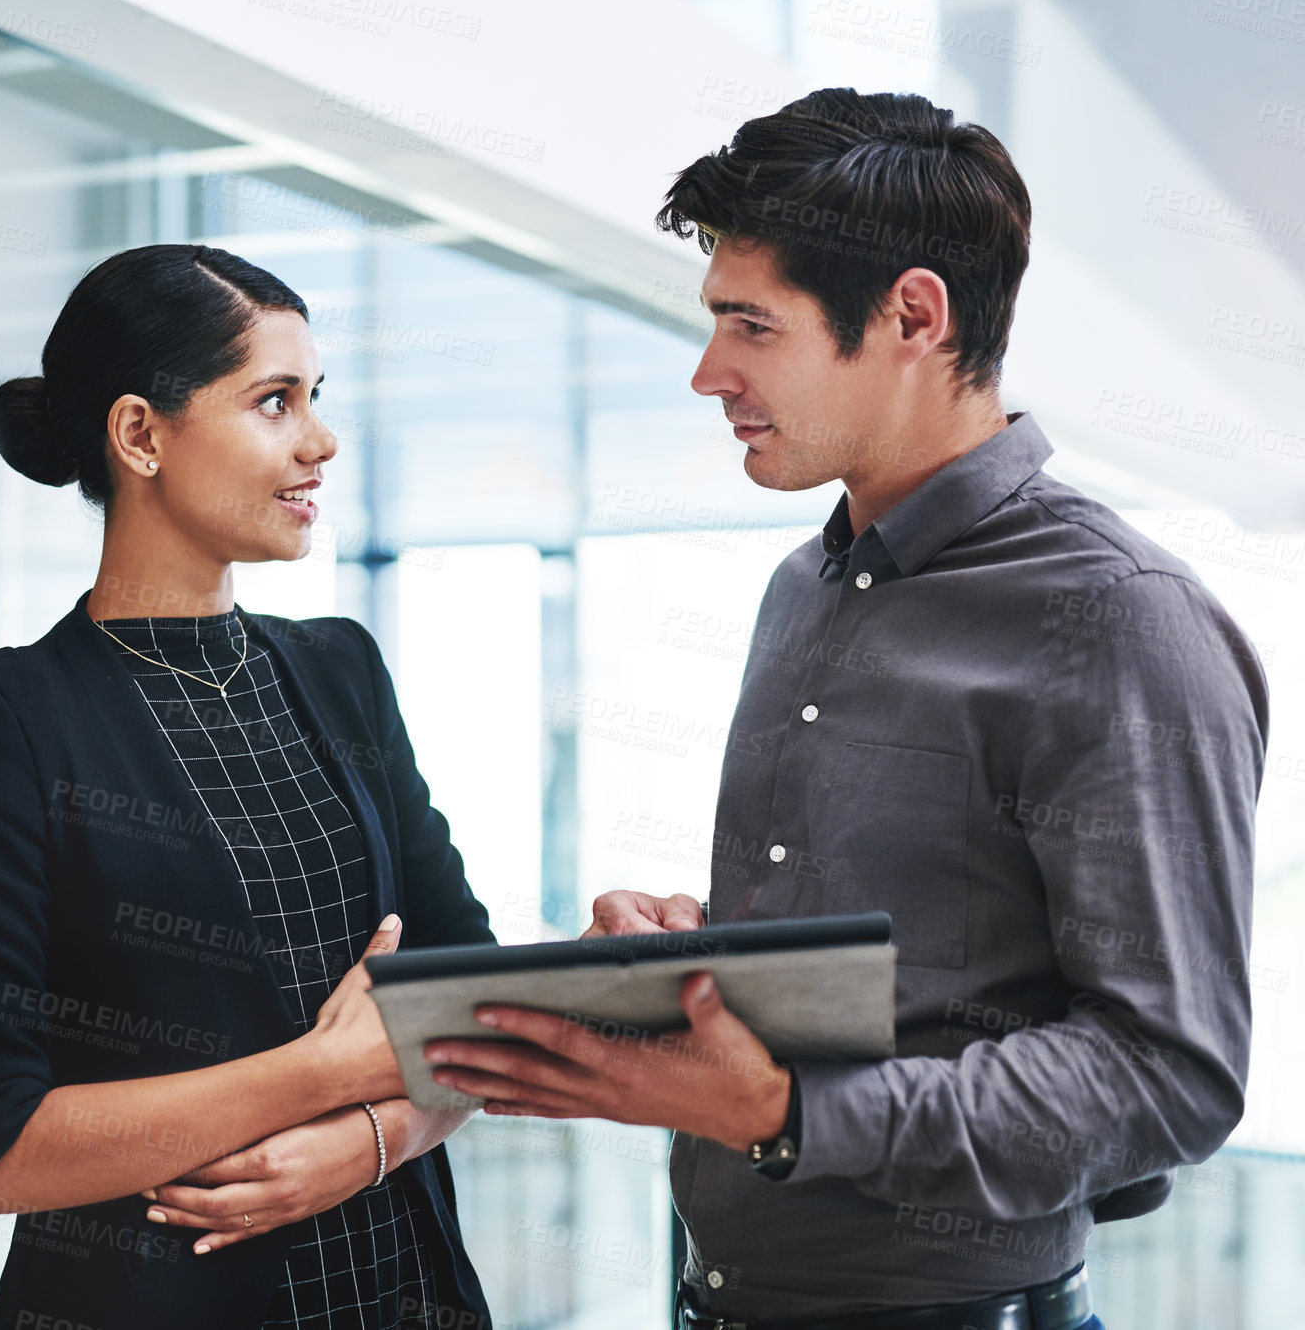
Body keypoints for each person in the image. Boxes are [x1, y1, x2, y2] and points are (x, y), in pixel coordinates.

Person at [421, 89, 1269, 1330]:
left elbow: (1168, 1077)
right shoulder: (800, 586)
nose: (710, 371)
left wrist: (779, 1109)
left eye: (749, 325)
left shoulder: (1120, 619)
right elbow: (924, 960)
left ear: (911, 315)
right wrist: (698, 961)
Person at [0, 244, 494, 1330]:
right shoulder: (6, 716)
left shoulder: (341, 667)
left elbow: (482, 1005)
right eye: (274, 401)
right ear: (140, 434)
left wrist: (369, 1144)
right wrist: (320, 1073)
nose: (320, 441)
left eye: (317, 399)